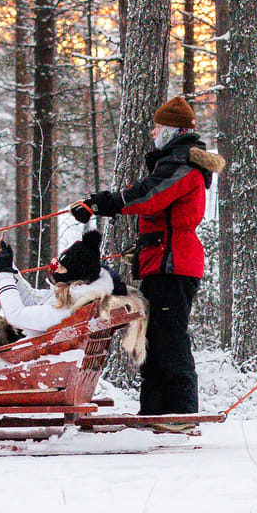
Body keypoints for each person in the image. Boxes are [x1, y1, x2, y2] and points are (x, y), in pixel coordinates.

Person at [70, 95, 223, 416]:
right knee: (152, 339)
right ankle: (154, 412)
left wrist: (102, 203)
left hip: (174, 264)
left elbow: (150, 196)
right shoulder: (176, 163)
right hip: (162, 262)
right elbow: (159, 212)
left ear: (172, 130)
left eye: (157, 127)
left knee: (169, 339)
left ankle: (181, 413)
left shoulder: (182, 166)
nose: (153, 133)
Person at [0, 230, 123, 336]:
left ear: (75, 276)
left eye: (61, 267)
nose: (55, 270)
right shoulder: (75, 297)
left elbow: (15, 316)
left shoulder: (66, 309)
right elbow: (29, 298)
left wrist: (3, 273)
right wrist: (9, 268)